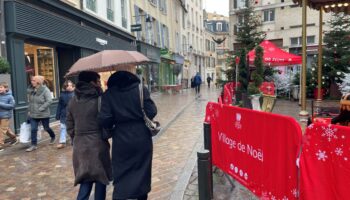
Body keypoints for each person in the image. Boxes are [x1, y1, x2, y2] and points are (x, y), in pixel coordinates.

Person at [98, 69, 157, 200]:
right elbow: (152, 111)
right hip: (142, 136)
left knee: (121, 171)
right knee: (142, 170)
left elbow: (104, 119)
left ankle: (120, 196)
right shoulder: (141, 90)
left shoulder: (109, 94)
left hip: (121, 138)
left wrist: (115, 122)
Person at [66, 71, 112, 200]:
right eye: (98, 81)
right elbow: (106, 120)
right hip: (97, 143)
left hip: (79, 145)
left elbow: (69, 123)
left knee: (85, 178)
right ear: (92, 83)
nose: (100, 84)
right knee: (100, 178)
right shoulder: (100, 99)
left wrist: (75, 137)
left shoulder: (73, 100)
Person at [26, 76, 56, 152]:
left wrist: (40, 109)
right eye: (31, 80)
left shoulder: (45, 90)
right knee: (33, 129)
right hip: (33, 114)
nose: (31, 82)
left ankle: (52, 136)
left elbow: (49, 101)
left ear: (38, 82)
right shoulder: (31, 90)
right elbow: (31, 102)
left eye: (33, 80)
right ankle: (33, 145)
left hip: (43, 114)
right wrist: (29, 110)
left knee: (46, 128)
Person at [55, 80, 75, 149]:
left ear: (72, 86)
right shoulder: (62, 95)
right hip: (64, 114)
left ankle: (73, 140)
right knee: (63, 128)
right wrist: (57, 114)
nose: (69, 87)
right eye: (67, 86)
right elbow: (59, 105)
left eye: (70, 85)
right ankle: (62, 142)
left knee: (72, 128)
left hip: (73, 114)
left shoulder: (75, 94)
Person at [0, 82, 18, 151]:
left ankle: (0, 145)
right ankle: (14, 139)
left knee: (2, 130)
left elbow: (12, 106)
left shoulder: (10, 96)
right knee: (5, 129)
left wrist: (0, 104)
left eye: (1, 87)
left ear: (6, 88)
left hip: (5, 116)